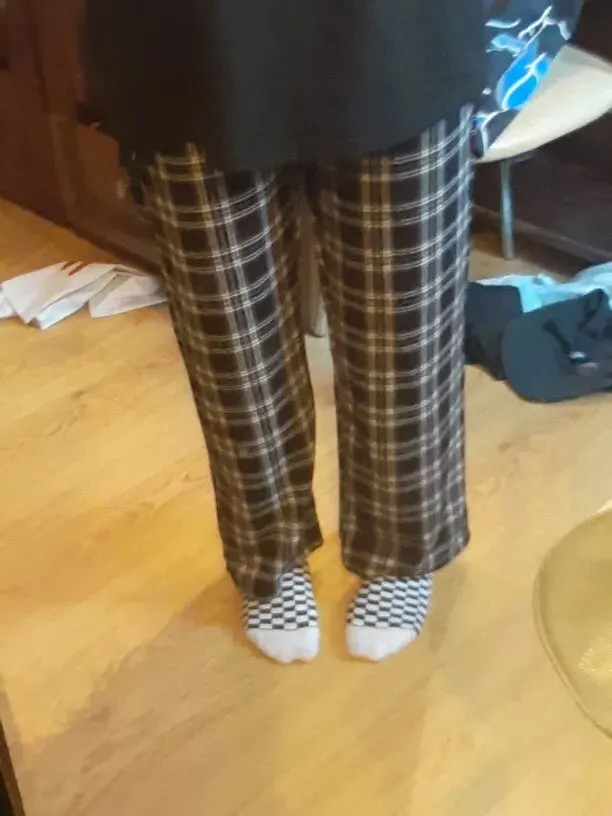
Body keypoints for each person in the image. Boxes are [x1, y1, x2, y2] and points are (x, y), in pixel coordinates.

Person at [85, 2, 485, 663]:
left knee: (406, 340)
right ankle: (268, 558)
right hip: (185, 46)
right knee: (231, 346)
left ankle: (400, 553)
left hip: (399, 34)